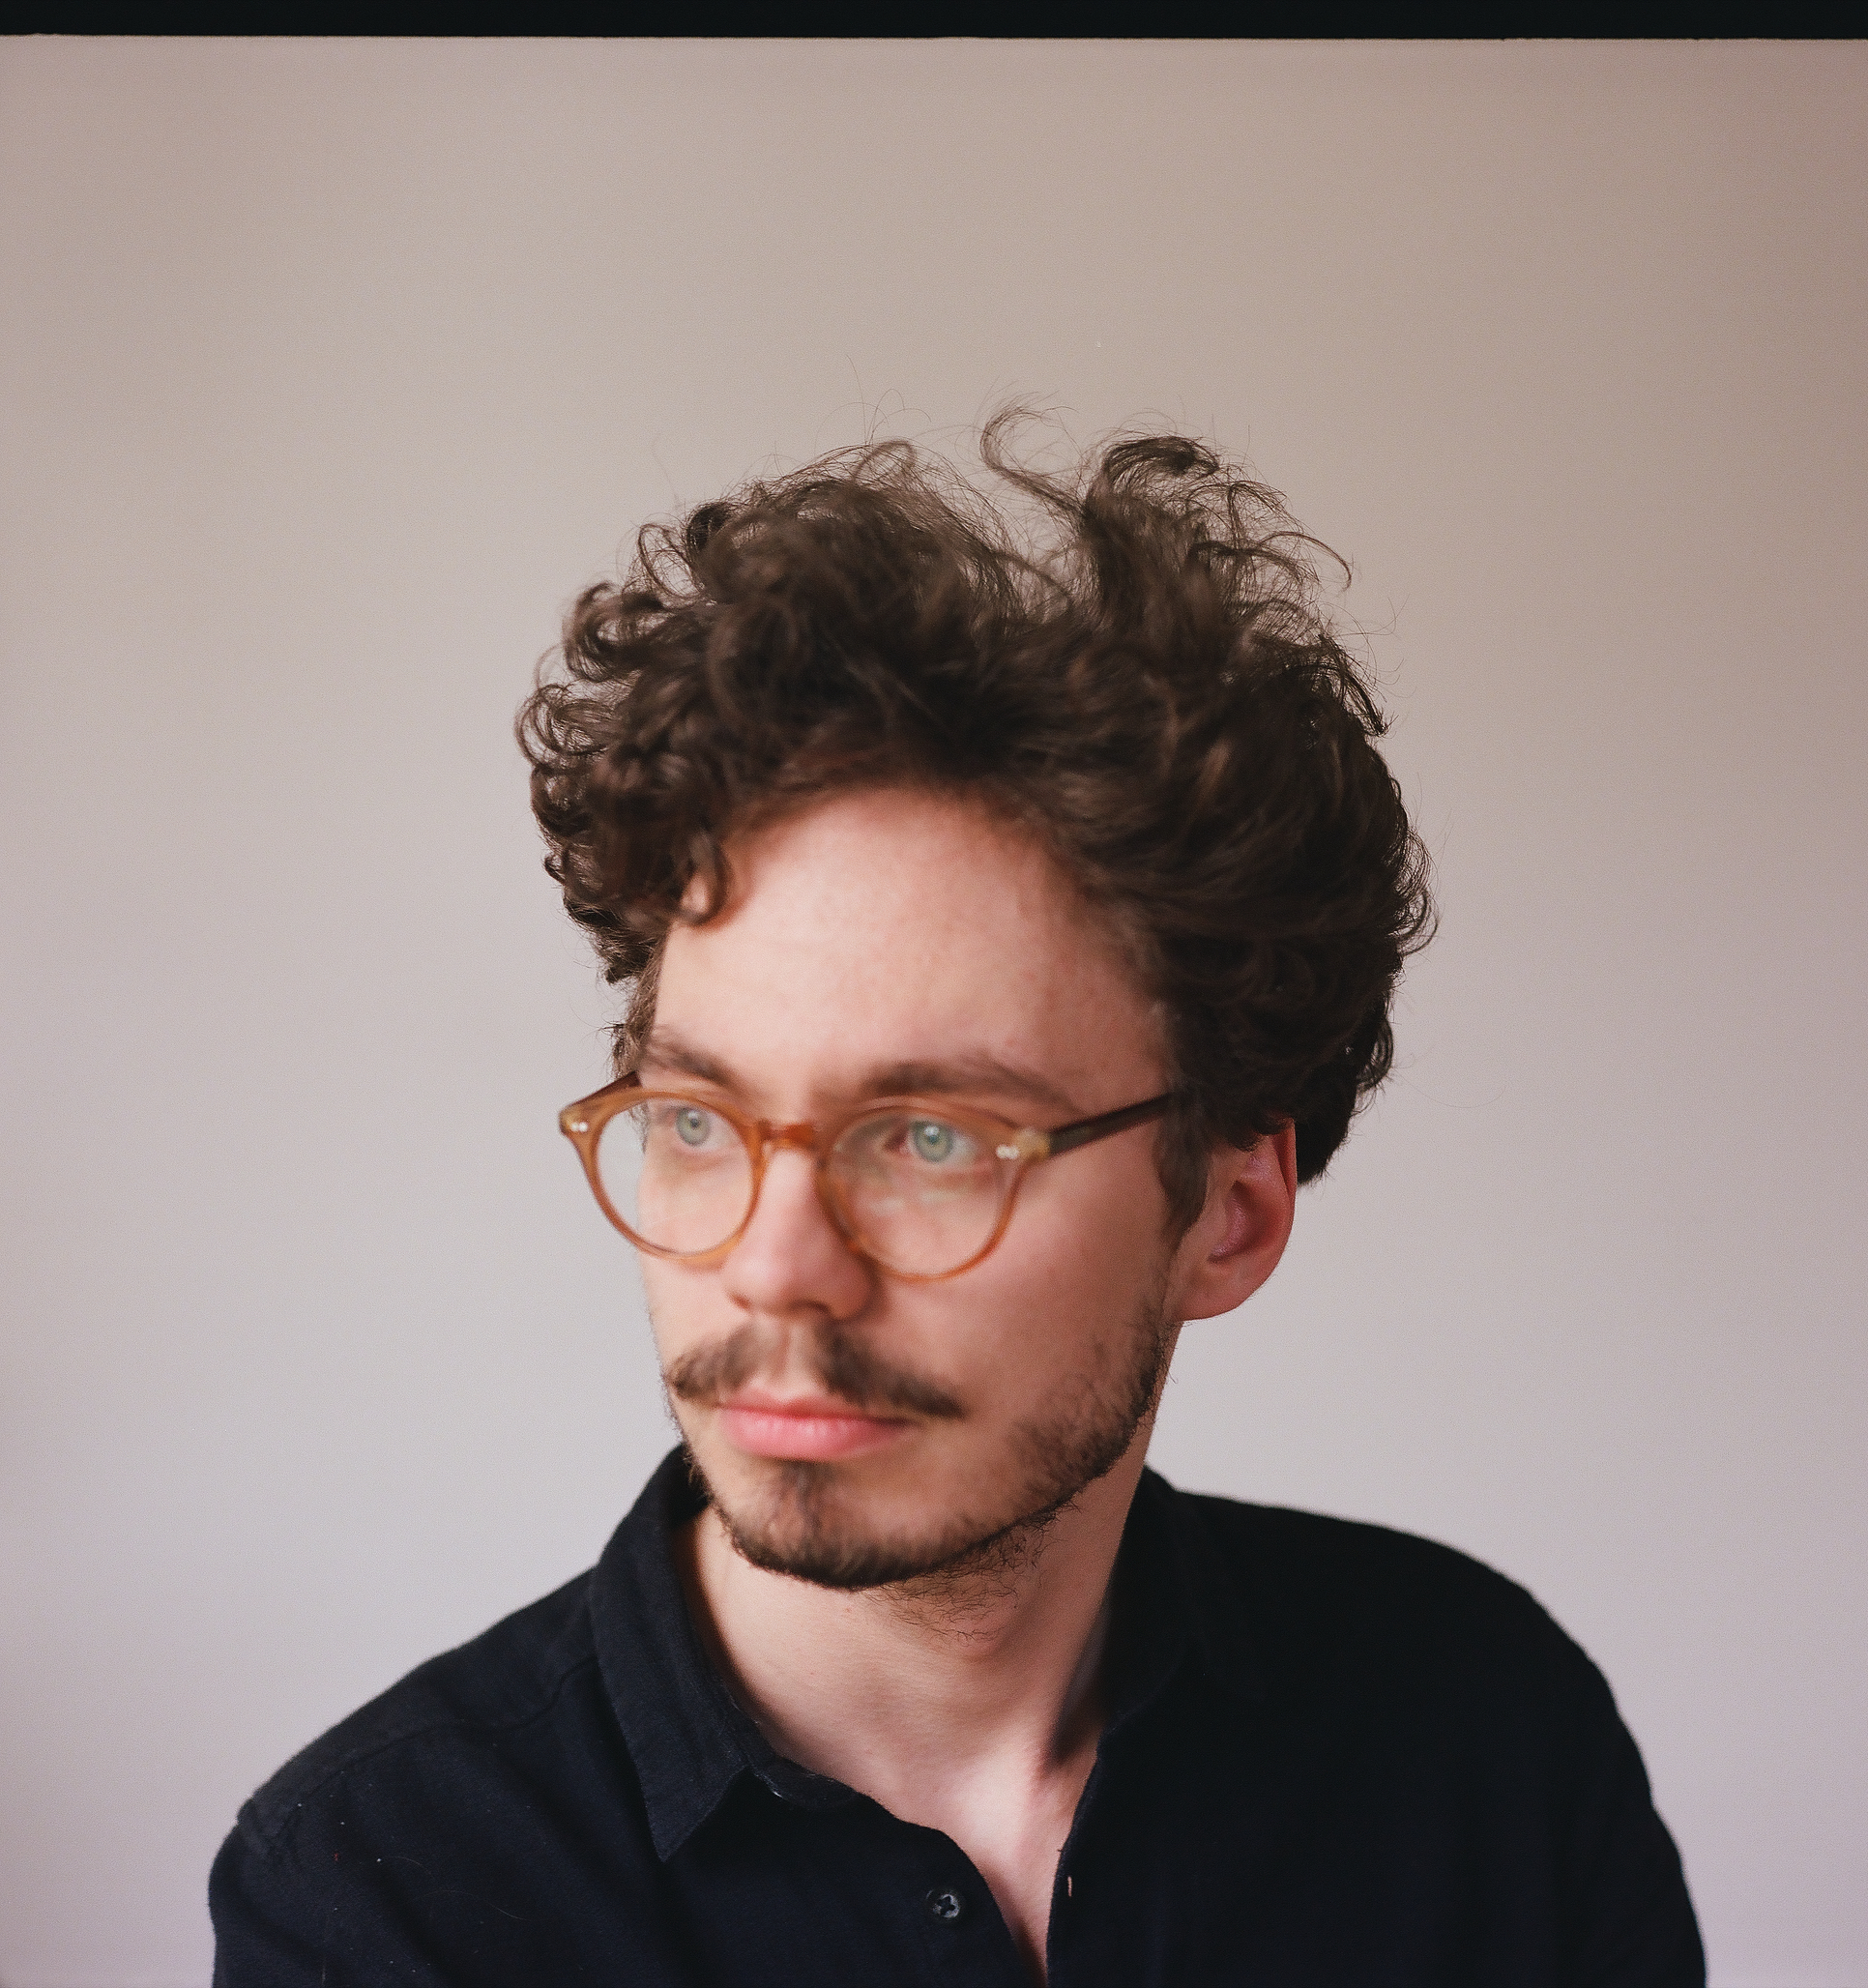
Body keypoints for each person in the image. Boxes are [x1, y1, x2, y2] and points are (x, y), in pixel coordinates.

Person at [209, 420, 1705, 1985]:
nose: (775, 1269)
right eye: (699, 1121)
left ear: (1229, 1211)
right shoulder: (383, 1897)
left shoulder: (1480, 1738)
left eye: (930, 1138)